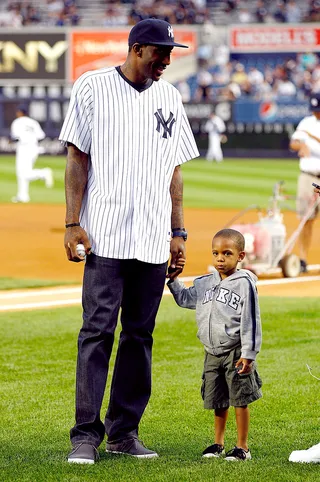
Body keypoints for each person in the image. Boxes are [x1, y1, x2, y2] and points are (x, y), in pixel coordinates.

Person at [59, 18, 199, 464]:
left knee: (140, 335)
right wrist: (71, 222)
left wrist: (178, 232)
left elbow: (174, 170)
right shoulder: (92, 87)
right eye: (161, 53)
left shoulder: (170, 96)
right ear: (137, 48)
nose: (167, 61)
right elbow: (77, 157)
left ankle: (124, 433)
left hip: (154, 236)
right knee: (96, 332)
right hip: (105, 233)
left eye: (171, 54)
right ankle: (85, 435)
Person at [168, 228, 262, 461]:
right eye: (216, 253)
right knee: (218, 400)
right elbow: (184, 299)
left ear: (240, 256)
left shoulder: (245, 284)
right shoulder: (205, 283)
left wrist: (249, 354)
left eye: (227, 253)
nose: (220, 259)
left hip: (236, 352)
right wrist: (173, 280)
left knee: (240, 399)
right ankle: (218, 444)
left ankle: (243, 447)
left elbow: (252, 319)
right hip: (212, 352)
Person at [289, 93, 320, 273]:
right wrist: (300, 145)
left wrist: (311, 139)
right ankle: (303, 258)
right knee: (306, 220)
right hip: (308, 176)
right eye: (314, 110)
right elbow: (294, 142)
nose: (316, 114)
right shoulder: (306, 122)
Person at [10, 105, 53, 203]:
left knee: (23, 173)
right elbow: (41, 136)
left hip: (23, 148)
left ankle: (43, 173)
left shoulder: (17, 122)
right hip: (34, 148)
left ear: (20, 113)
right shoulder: (33, 122)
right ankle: (23, 196)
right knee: (23, 172)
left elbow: (15, 138)